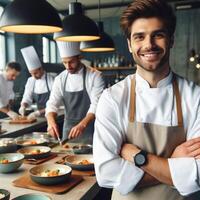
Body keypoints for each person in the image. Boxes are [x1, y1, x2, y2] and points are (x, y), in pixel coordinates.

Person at [93, 0, 200, 199]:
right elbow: (106, 173)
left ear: (171, 40)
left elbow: (198, 174)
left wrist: (138, 157)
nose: (148, 45)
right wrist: (174, 164)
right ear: (130, 44)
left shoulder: (195, 97)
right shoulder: (112, 98)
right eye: (139, 37)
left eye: (158, 35)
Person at [46, 41, 105, 144]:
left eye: (71, 62)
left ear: (79, 57)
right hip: (68, 131)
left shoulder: (95, 76)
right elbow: (52, 104)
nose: (68, 66)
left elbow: (96, 105)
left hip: (90, 128)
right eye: (64, 62)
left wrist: (82, 124)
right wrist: (50, 122)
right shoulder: (60, 79)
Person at [19, 46, 55, 119]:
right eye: (31, 73)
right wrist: (23, 106)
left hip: (53, 114)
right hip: (40, 117)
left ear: (41, 69)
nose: (34, 76)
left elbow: (56, 103)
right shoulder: (31, 80)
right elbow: (27, 97)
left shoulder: (52, 79)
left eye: (35, 73)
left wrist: (38, 112)